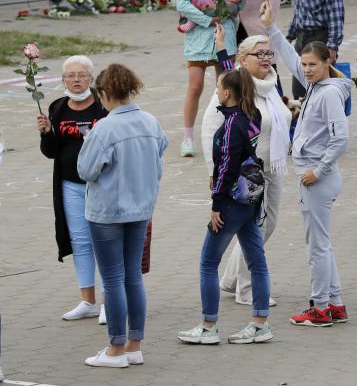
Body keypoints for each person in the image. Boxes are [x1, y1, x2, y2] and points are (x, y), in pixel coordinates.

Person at [264, 0, 352, 327]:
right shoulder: (317, 83)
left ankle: (319, 308)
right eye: (305, 64)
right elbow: (289, 59)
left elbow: (340, 138)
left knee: (316, 247)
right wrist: (272, 27)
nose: (307, 69)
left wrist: (318, 170)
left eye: (313, 64)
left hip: (316, 176)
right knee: (322, 243)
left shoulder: (327, 93)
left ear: (327, 62)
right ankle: (336, 302)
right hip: (314, 173)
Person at [77, 65, 167, 367]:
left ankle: (116, 348)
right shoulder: (151, 122)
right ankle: (134, 344)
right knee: (133, 275)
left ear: (104, 93)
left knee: (113, 278)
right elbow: (160, 154)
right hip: (141, 208)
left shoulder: (104, 128)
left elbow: (85, 170)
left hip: (107, 212)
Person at [178, 68, 273, 347]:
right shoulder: (252, 114)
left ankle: (208, 327)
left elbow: (226, 169)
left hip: (231, 203)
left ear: (229, 92)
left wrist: (216, 204)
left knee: (208, 263)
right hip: (251, 200)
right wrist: (222, 52)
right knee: (257, 263)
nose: (217, 91)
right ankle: (260, 323)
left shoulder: (232, 124)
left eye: (219, 87)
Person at [201, 26, 290, 308]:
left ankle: (230, 279)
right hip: (244, 175)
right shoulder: (235, 87)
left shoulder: (272, 85)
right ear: (243, 59)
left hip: (272, 168)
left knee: (268, 225)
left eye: (269, 53)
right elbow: (210, 129)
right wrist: (212, 174)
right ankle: (245, 288)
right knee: (254, 230)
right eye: (259, 53)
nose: (266, 58)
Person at [38, 56, 110, 322]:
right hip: (69, 185)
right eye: (70, 75)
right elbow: (50, 153)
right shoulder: (57, 107)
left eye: (82, 75)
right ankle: (87, 301)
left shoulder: (103, 107)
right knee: (80, 241)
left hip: (101, 185)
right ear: (63, 79)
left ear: (91, 79)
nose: (76, 80)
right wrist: (47, 132)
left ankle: (107, 301)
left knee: (104, 241)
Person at [176, 0, 244, 158]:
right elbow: (182, 4)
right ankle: (187, 137)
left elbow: (235, 4)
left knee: (226, 86)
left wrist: (239, 0)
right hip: (199, 36)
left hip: (225, 34)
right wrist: (207, 19)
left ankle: (225, 133)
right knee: (195, 86)